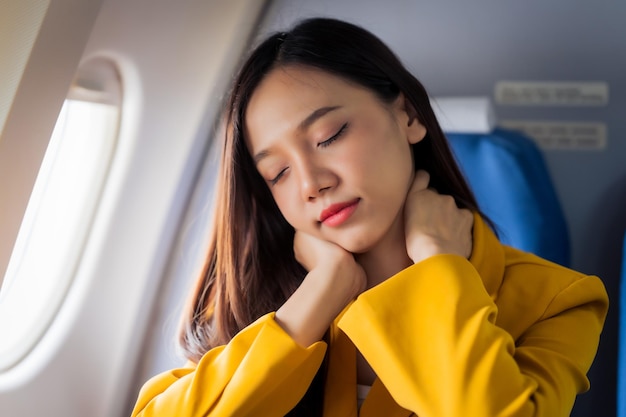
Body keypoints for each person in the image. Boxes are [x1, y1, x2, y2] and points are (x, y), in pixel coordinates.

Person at [130, 17, 608, 417]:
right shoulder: (262, 301)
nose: (310, 182)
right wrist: (320, 291)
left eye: (330, 135)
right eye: (277, 173)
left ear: (408, 116)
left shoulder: (559, 300)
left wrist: (439, 266)